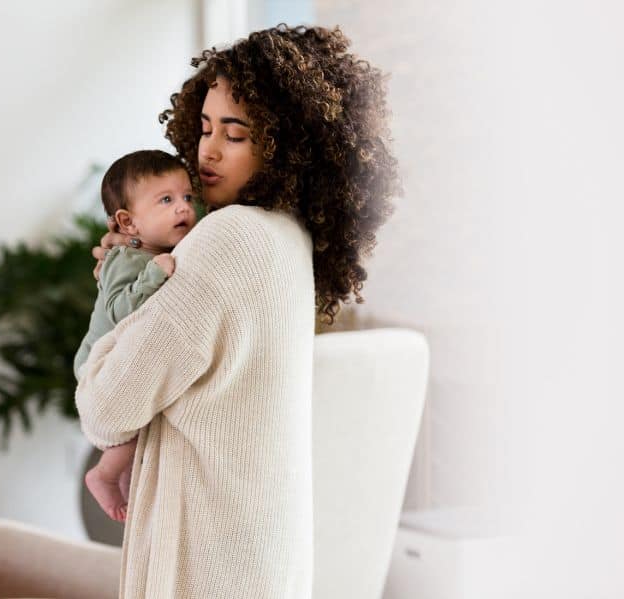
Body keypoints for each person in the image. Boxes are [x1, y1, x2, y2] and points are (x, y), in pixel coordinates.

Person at [75, 24, 399, 599]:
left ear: (286, 143)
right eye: (203, 129)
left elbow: (105, 408)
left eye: (236, 134)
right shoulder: (286, 237)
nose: (208, 151)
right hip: (258, 557)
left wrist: (113, 313)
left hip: (208, 565)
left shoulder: (228, 238)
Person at [74, 150, 198, 523]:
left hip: (122, 354)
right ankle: (104, 474)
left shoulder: (159, 248)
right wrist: (152, 276)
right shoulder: (126, 260)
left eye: (187, 197)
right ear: (128, 223)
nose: (183, 209)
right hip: (100, 358)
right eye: (166, 200)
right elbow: (116, 311)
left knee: (142, 427)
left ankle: (128, 495)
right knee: (134, 416)